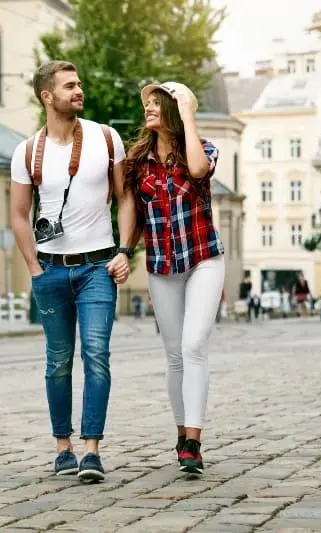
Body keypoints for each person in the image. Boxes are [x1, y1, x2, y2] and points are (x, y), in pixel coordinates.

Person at [10, 60, 136, 482]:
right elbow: (17, 215)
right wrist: (33, 268)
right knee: (58, 361)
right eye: (69, 85)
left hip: (98, 267)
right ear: (48, 95)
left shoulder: (106, 137)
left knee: (96, 356)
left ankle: (91, 450)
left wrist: (125, 250)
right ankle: (62, 447)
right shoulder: (27, 151)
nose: (78, 90)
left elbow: (126, 198)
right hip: (50, 270)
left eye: (79, 83)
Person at [124, 81, 225, 476]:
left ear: (173, 109)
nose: (147, 109)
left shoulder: (201, 149)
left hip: (203, 259)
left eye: (155, 103)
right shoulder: (138, 161)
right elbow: (132, 212)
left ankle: (195, 442)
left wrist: (187, 114)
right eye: (146, 104)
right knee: (174, 354)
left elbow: (199, 170)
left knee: (193, 344)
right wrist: (123, 251)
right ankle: (182, 435)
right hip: (162, 266)